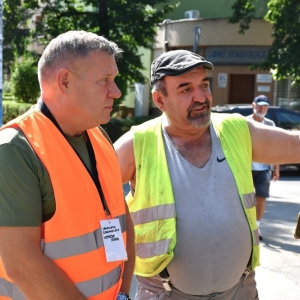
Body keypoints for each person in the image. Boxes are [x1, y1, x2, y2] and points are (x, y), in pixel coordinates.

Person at [114, 49, 300, 300]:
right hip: (165, 294)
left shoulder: (236, 129)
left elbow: (294, 146)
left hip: (240, 291)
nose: (201, 96)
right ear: (160, 100)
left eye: (204, 84)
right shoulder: (136, 144)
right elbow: (89, 205)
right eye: (185, 89)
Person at [0, 30, 135, 300]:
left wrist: (123, 294)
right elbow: (22, 264)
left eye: (115, 80)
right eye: (104, 80)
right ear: (65, 81)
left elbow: (122, 222)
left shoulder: (97, 135)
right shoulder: (14, 150)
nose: (116, 92)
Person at [246, 95, 280, 241]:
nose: (262, 109)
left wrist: (276, 168)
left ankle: (256, 226)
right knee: (244, 199)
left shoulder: (270, 124)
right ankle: (245, 227)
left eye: (265, 107)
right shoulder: (244, 122)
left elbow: (275, 148)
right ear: (253, 105)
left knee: (261, 197)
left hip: (264, 169)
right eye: (260, 106)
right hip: (245, 168)